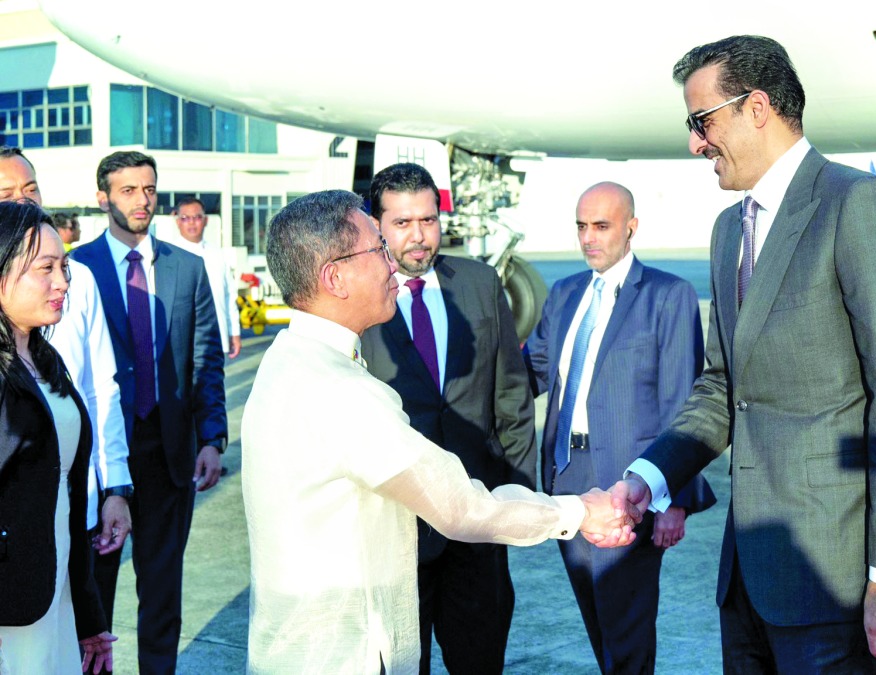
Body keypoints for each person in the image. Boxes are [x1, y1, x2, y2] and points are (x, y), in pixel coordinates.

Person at [608, 35, 876, 673]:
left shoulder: (859, 206)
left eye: (701, 122)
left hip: (836, 579)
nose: (695, 144)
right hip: (748, 577)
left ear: (756, 108)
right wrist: (647, 478)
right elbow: (722, 388)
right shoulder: (728, 231)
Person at [241, 189, 632, 674]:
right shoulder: (342, 391)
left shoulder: (285, 359)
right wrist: (580, 511)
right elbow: (460, 508)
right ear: (334, 277)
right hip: (346, 655)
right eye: (377, 249)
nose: (392, 264)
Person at [523, 181, 716, 674]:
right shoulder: (566, 294)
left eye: (602, 226)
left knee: (625, 626)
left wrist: (674, 501)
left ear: (631, 228)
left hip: (629, 484)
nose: (589, 237)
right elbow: (531, 372)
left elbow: (684, 401)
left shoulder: (668, 295)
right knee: (597, 617)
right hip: (566, 476)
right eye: (581, 227)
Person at [358, 163, 536, 674]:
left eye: (428, 221)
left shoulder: (480, 282)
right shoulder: (359, 297)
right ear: (376, 225)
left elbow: (511, 394)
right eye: (402, 223)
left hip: (477, 520)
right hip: (395, 528)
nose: (418, 236)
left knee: (480, 659)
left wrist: (517, 495)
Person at [72, 151, 227, 674]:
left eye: (149, 189)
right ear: (103, 199)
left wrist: (213, 437)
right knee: (94, 593)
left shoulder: (187, 267)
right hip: (100, 458)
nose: (142, 200)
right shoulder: (76, 269)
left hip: (170, 453)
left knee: (162, 592)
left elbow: (205, 358)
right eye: (128, 190)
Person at [0, 146, 132, 565]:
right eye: (7, 193)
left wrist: (116, 488)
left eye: (31, 188)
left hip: (80, 510)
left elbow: (101, 390)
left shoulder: (79, 281)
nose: (24, 200)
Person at [0, 201, 116, 674]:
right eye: (45, 268)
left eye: (63, 266)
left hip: (55, 594)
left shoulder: (47, 361)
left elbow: (65, 494)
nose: (63, 282)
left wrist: (88, 614)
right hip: (10, 610)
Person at [172, 197, 242, 359]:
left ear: (206, 220)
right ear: (177, 222)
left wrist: (234, 332)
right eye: (185, 218)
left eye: (197, 217)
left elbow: (229, 297)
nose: (191, 223)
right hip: (180, 342)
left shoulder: (217, 255)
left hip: (215, 338)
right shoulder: (169, 256)